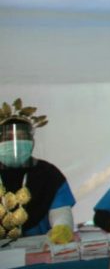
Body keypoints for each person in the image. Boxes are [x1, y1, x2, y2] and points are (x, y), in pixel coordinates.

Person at [0, 99, 75, 244]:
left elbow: (60, 212)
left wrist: (62, 229)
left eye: (22, 137)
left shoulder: (49, 174)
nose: (15, 142)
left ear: (32, 142)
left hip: (41, 247)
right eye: (8, 138)